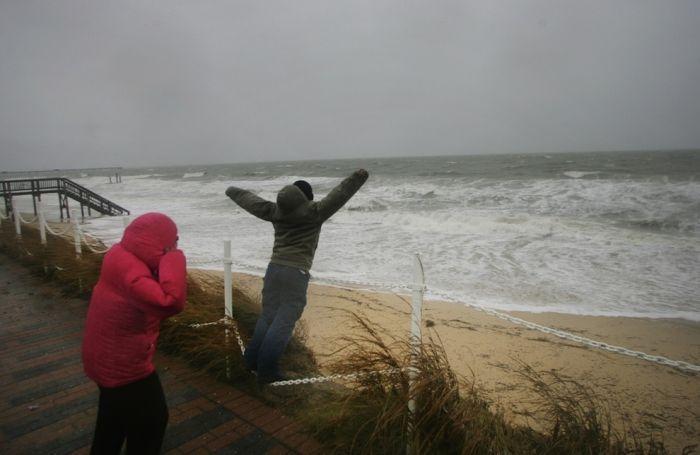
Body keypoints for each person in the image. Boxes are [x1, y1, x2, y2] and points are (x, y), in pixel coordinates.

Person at [226, 169, 369, 384]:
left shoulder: (275, 211)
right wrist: (359, 176)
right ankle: (267, 371)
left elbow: (251, 201)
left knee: (268, 316)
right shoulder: (315, 212)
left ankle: (251, 361)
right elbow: (339, 194)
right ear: (306, 198)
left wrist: (232, 191)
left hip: (273, 269)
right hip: (296, 272)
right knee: (284, 320)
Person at [82, 212, 187, 454]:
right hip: (122, 366)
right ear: (159, 244)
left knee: (113, 421)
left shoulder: (120, 254)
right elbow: (169, 301)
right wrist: (173, 257)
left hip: (104, 357)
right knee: (152, 422)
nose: (177, 245)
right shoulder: (132, 272)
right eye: (173, 241)